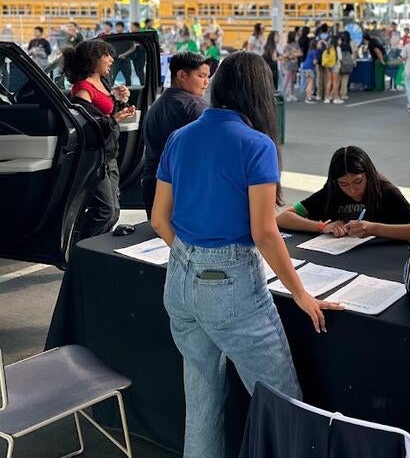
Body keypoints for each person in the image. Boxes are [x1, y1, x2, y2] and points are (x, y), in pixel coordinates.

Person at [151, 52, 342, 456]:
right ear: (259, 92)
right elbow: (264, 232)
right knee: (285, 405)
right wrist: (302, 294)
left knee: (201, 401)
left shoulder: (180, 137)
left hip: (180, 281)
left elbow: (158, 219)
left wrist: (194, 258)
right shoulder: (257, 145)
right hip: (231, 290)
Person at [276, 146, 410, 242]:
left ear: (368, 175)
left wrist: (372, 228)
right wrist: (322, 226)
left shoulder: (386, 192)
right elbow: (283, 218)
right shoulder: (331, 192)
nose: (352, 190)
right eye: (344, 184)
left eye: (358, 182)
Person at [62, 39, 136, 238]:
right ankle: (80, 246)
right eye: (107, 55)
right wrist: (115, 118)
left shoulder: (102, 83)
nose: (111, 60)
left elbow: (104, 115)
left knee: (113, 212)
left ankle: (95, 250)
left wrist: (119, 102)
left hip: (109, 154)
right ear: (93, 59)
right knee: (105, 211)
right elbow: (86, 125)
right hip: (94, 157)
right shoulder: (82, 89)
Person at [142, 52, 209, 218]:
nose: (206, 82)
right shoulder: (196, 107)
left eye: (208, 77)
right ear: (181, 75)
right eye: (201, 76)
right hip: (183, 188)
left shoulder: (156, 106)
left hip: (152, 185)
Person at [321, 34, 342, 104]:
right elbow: (340, 58)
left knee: (328, 81)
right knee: (335, 82)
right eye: (339, 40)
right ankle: (335, 98)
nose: (340, 41)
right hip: (335, 65)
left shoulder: (328, 48)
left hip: (328, 65)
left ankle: (326, 98)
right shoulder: (337, 48)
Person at [281, 30, 301, 102]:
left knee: (293, 80)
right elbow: (286, 55)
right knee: (287, 79)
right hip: (288, 65)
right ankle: (282, 94)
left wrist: (293, 54)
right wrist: (294, 54)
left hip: (295, 64)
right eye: (296, 36)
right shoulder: (287, 45)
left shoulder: (297, 45)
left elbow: (300, 53)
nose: (297, 37)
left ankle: (291, 94)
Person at [338, 31, 356, 101]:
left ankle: (336, 93)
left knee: (338, 80)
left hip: (340, 64)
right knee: (345, 80)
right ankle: (343, 94)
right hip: (347, 65)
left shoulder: (339, 46)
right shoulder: (348, 45)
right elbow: (352, 55)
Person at [300, 38, 320, 104]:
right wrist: (317, 61)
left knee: (309, 82)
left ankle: (308, 96)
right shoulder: (314, 51)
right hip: (309, 68)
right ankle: (308, 98)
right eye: (318, 44)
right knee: (310, 83)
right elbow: (314, 62)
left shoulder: (310, 51)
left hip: (305, 67)